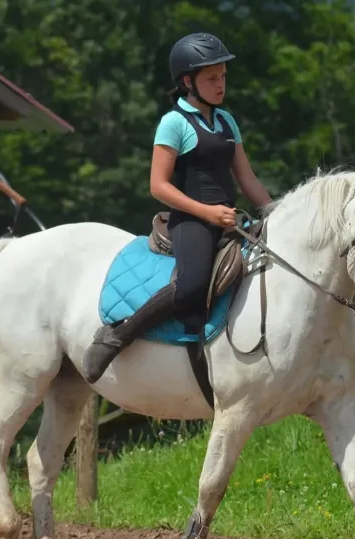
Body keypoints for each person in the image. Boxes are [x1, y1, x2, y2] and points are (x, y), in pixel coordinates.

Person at [82, 32, 272, 384]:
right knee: (192, 283)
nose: (220, 84)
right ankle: (117, 336)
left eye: (223, 77)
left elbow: (247, 179)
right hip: (191, 220)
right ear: (188, 81)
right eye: (211, 78)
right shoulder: (174, 123)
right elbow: (158, 186)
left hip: (228, 217)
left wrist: (275, 210)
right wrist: (207, 213)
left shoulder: (227, 121)